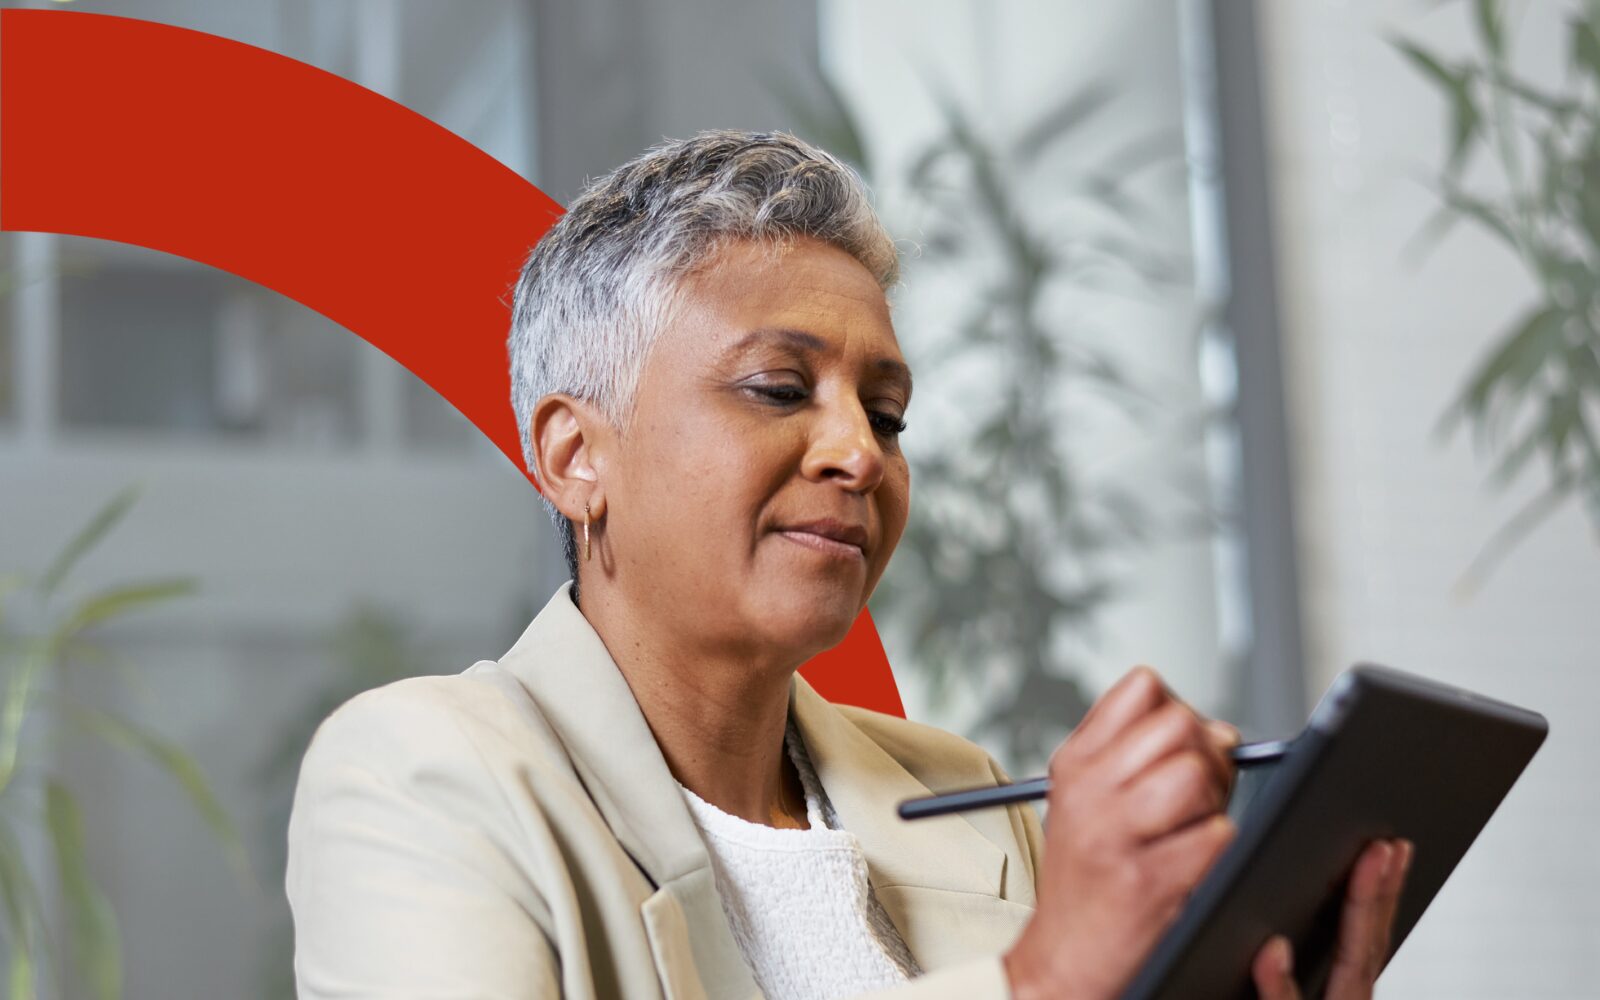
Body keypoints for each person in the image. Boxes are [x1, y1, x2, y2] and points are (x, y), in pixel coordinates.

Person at [285, 129, 1411, 1000]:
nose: (858, 453)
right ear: (576, 456)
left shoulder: (960, 792)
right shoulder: (418, 772)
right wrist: (1040, 978)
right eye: (779, 388)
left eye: (887, 414)